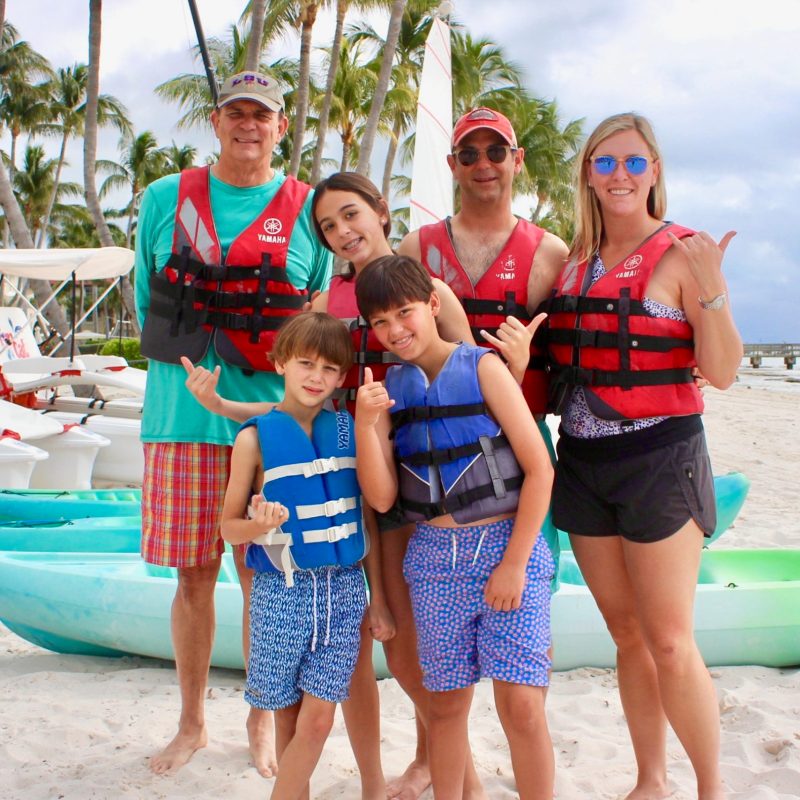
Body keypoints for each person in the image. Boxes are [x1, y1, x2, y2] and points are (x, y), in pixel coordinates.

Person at [184, 171, 487, 798]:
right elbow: (303, 404)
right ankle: (388, 778)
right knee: (362, 656)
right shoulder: (325, 306)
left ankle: (452, 771)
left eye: (352, 215)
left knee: (408, 648)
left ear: (380, 211)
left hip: (421, 480)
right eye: (328, 226)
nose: (343, 231)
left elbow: (474, 383)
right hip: (349, 480)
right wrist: (226, 411)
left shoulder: (430, 292)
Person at [134, 70, 331, 776]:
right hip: (182, 420)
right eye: (236, 113)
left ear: (281, 128)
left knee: (267, 581)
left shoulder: (309, 210)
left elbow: (318, 325)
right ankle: (191, 724)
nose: (249, 125)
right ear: (216, 123)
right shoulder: (163, 199)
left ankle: (258, 721)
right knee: (193, 578)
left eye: (263, 115)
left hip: (269, 427)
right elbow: (142, 304)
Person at [546, 112, 742, 800]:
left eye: (633, 162)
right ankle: (650, 779)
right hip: (583, 463)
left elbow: (720, 371)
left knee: (667, 640)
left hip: (661, 459)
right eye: (604, 163)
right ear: (587, 176)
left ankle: (711, 788)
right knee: (626, 633)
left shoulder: (685, 253)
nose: (619, 175)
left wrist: (712, 293)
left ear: (654, 170)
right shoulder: (572, 261)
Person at [354, 255, 556, 800]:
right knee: (444, 706)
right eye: (380, 322)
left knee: (520, 704)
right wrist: (367, 425)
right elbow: (382, 496)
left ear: (433, 306)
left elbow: (539, 471)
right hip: (435, 559)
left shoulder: (485, 368)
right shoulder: (390, 388)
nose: (395, 330)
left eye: (405, 312)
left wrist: (514, 563)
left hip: (505, 549)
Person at [220, 311, 370, 800]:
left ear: (341, 377)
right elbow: (228, 526)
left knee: (320, 717)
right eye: (306, 363)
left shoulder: (350, 430)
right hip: (280, 592)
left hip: (345, 590)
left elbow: (368, 513)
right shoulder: (252, 439)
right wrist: (258, 525)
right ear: (281, 362)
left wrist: (381, 601)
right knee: (285, 714)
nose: (316, 377)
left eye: (329, 369)